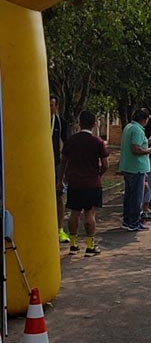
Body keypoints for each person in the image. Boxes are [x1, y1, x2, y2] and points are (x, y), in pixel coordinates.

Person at [60, 110, 109, 256]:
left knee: (74, 212)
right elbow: (105, 164)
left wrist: (61, 179)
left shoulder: (71, 141)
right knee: (90, 213)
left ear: (79, 123)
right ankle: (89, 246)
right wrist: (99, 174)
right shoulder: (97, 142)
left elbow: (64, 161)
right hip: (92, 183)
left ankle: (73, 245)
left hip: (75, 182)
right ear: (94, 124)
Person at [120, 108, 151, 231]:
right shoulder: (137, 130)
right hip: (136, 168)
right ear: (144, 119)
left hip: (128, 166)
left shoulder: (129, 127)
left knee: (129, 195)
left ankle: (127, 220)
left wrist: (148, 142)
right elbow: (135, 149)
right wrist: (149, 150)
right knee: (136, 196)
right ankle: (134, 221)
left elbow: (138, 144)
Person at [50, 94, 70, 243]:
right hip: (39, 167)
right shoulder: (36, 119)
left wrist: (65, 168)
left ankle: (60, 230)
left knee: (58, 197)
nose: (49, 108)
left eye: (52, 105)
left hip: (56, 164)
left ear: (56, 107)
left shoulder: (60, 123)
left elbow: (67, 145)